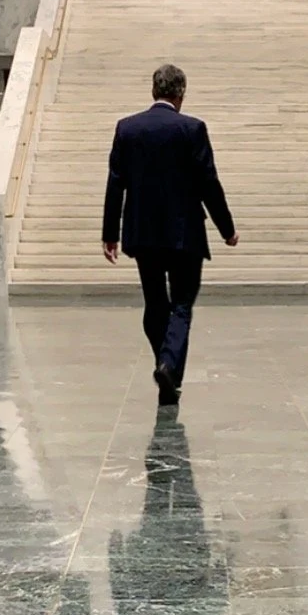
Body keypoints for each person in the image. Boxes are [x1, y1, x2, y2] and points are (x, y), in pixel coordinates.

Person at [102, 61, 238, 407]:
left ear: (153, 91)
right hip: (184, 234)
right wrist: (227, 228)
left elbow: (116, 183)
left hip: (142, 233)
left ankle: (167, 373)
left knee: (154, 302)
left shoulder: (127, 129)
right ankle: (167, 364)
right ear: (181, 94)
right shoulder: (192, 129)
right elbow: (208, 181)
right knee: (181, 305)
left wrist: (110, 233)